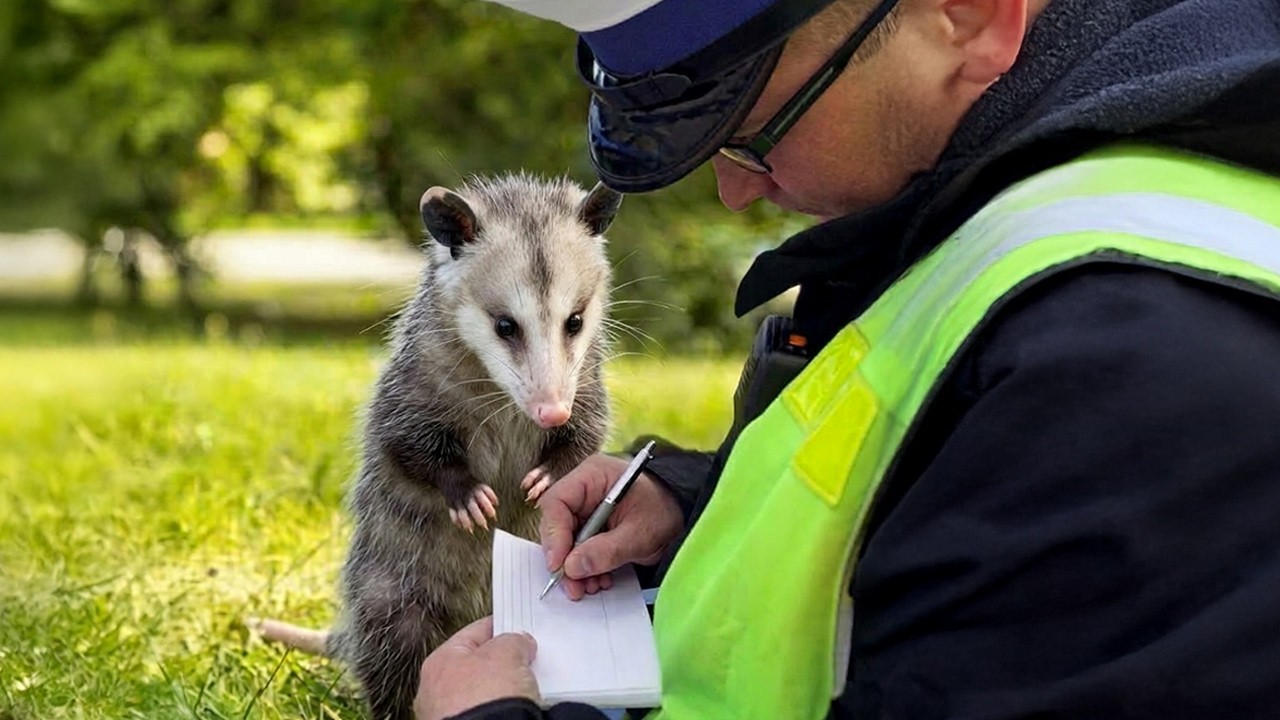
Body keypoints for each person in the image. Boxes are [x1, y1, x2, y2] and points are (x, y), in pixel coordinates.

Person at [414, 0, 1280, 718]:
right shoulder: (1032, 196)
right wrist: (692, 501)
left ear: (968, 17)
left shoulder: (1118, 365)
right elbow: (948, 481)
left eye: (754, 133)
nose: (735, 189)